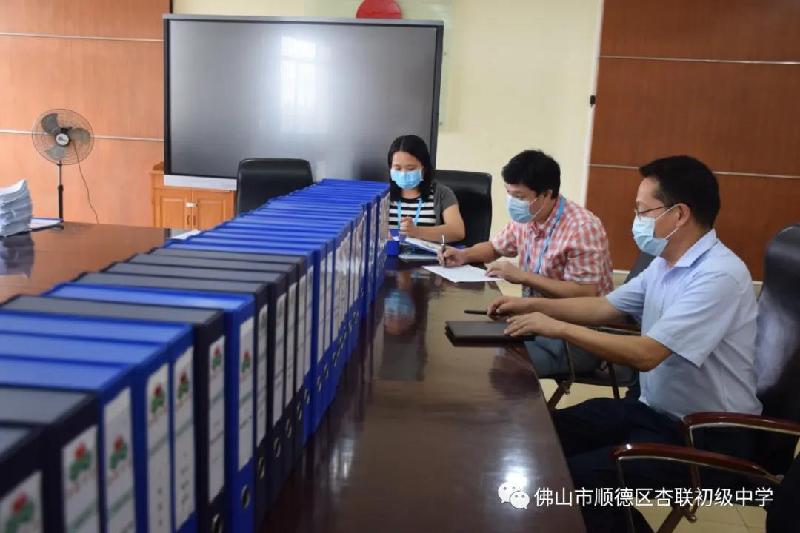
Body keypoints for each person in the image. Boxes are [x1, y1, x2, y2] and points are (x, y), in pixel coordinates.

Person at [491, 155, 761, 532]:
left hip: (706, 436)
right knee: (542, 435)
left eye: (642, 210)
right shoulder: (666, 262)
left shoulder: (719, 276)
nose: (636, 220)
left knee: (579, 484)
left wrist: (558, 327)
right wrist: (529, 304)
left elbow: (647, 354)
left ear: (679, 214)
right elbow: (605, 306)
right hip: (653, 412)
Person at [438, 149, 613, 376]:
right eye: (509, 194)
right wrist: (464, 255)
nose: (513, 202)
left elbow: (585, 293)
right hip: (533, 321)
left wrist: (524, 277)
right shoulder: (528, 217)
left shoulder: (582, 228)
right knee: (466, 347)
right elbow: (495, 247)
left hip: (575, 336)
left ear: (547, 194)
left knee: (497, 365)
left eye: (519, 196)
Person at [387, 134, 465, 243]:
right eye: (397, 168)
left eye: (411, 168)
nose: (403, 174)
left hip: (426, 254)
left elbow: (457, 231)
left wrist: (418, 231)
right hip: (390, 253)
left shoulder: (442, 193)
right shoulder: (382, 195)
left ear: (424, 168)